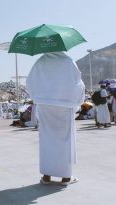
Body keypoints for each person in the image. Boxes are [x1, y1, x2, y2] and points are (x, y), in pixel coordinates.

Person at [26, 51, 85, 186]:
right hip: (65, 106)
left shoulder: (40, 62)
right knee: (65, 140)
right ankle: (66, 177)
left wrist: (40, 97)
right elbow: (78, 83)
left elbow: (30, 82)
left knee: (47, 140)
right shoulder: (68, 61)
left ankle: (46, 176)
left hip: (45, 105)